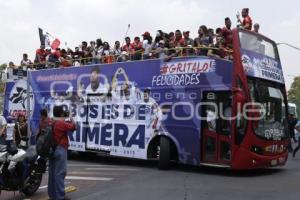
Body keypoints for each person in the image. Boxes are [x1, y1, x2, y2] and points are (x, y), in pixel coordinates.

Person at [48, 105, 76, 200]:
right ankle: (60, 196)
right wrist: (71, 118)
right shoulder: (61, 123)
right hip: (60, 149)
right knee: (60, 173)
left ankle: (52, 195)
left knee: (52, 173)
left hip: (51, 150)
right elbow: (73, 127)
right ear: (61, 113)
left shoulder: (51, 121)